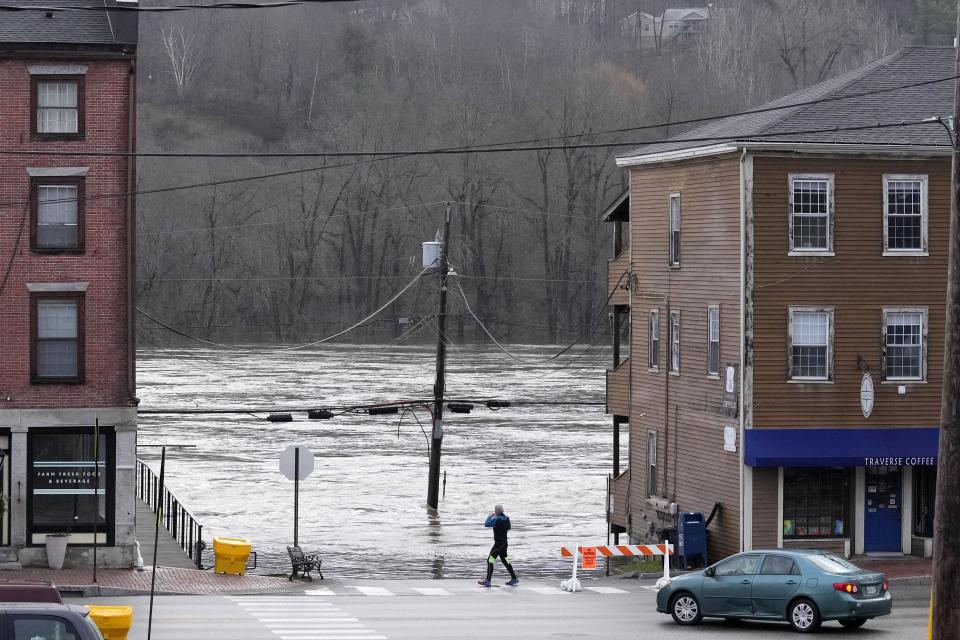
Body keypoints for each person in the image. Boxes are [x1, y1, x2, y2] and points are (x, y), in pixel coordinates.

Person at [478, 504, 519, 587]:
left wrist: (490, 516)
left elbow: (486, 524)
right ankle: (514, 578)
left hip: (498, 545)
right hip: (505, 544)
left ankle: (488, 581)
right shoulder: (507, 518)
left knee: (490, 560)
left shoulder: (496, 519)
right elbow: (509, 527)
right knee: (506, 560)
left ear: (496, 511)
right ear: (502, 511)